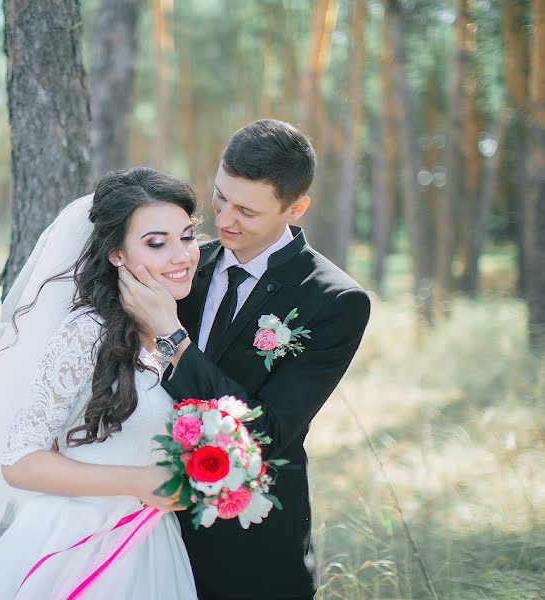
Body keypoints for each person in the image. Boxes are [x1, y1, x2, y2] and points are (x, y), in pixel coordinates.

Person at [120, 119, 372, 600]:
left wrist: (172, 337)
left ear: (295, 208)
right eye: (219, 197)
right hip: (150, 535)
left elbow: (267, 430)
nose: (224, 219)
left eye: (247, 211)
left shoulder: (335, 300)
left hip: (251, 544)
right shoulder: (184, 265)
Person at [0, 167, 200, 599]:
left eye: (187, 236)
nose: (181, 255)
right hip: (76, 538)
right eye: (157, 243)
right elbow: (20, 460)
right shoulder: (88, 330)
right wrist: (138, 481)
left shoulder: (178, 326)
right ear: (117, 255)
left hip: (154, 545)